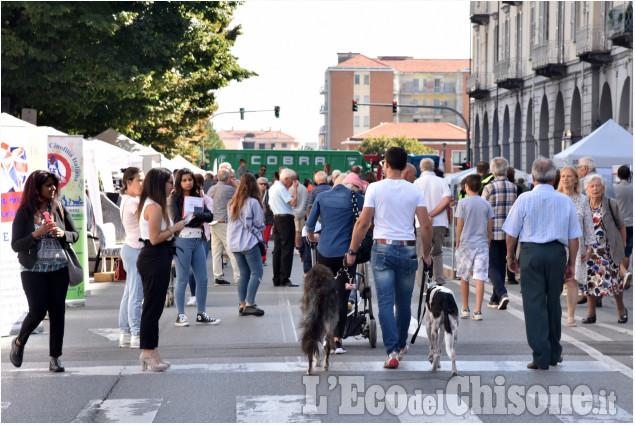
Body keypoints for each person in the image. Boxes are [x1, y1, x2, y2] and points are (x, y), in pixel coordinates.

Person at [345, 147, 433, 369]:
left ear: (384, 165)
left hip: (382, 248)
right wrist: (428, 253)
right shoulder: (414, 191)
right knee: (403, 303)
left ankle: (392, 351)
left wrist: (352, 251)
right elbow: (425, 224)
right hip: (407, 249)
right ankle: (401, 346)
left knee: (384, 302)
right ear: (405, 167)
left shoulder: (374, 188)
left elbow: (363, 223)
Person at [503, 158, 581, 370]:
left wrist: (510, 256)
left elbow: (511, 232)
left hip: (532, 253)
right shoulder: (564, 201)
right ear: (554, 177)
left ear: (533, 176)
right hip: (556, 252)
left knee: (534, 303)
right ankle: (554, 352)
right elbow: (574, 237)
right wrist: (571, 264)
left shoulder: (524, 199)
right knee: (553, 302)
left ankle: (541, 355)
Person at [10, 170, 80, 372]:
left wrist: (62, 233)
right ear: (36, 188)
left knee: (58, 312)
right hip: (33, 269)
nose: (53, 189)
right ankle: (19, 342)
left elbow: (74, 234)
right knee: (38, 311)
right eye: (48, 185)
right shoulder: (24, 212)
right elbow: (16, 245)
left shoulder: (58, 207)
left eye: (53, 185)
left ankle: (55, 358)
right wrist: (37, 233)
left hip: (58, 268)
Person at [306, 172, 365, 354]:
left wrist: (313, 238)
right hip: (346, 254)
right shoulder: (357, 198)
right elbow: (364, 224)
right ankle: (337, 341)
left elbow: (309, 226)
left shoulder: (322, 197)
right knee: (341, 296)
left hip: (324, 252)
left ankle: (325, 335)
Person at [136, 168, 187, 371]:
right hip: (154, 256)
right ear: (159, 184)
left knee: (155, 307)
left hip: (158, 256)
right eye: (169, 182)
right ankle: (148, 352)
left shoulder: (155, 204)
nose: (172, 186)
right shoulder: (154, 206)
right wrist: (174, 228)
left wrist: (174, 230)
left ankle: (153, 351)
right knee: (152, 307)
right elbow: (155, 238)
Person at [168, 169, 217, 326]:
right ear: (179, 182)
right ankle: (180, 315)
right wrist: (197, 217)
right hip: (183, 241)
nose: (188, 182)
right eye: (184, 180)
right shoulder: (174, 198)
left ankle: (201, 313)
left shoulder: (198, 196)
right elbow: (178, 220)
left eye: (190, 179)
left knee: (203, 279)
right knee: (182, 279)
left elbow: (210, 216)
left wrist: (195, 216)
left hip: (198, 240)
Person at [581, 174, 629, 324]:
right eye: (592, 186)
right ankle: (591, 313)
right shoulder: (583, 205)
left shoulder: (610, 203)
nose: (595, 189)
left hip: (608, 250)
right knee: (590, 283)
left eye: (598, 186)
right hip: (590, 251)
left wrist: (622, 243)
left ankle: (621, 309)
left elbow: (621, 225)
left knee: (614, 282)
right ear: (587, 190)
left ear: (603, 188)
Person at [556, 166, 595, 327]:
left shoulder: (583, 199)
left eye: (569, 176)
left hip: (576, 245)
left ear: (575, 179)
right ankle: (552, 314)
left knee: (572, 280)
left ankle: (570, 316)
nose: (565, 179)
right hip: (556, 244)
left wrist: (589, 248)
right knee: (554, 282)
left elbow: (588, 225)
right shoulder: (555, 197)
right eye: (563, 176)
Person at [227, 174, 267, 317]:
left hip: (234, 243)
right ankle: (250, 303)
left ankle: (242, 303)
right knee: (257, 272)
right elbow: (258, 224)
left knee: (244, 273)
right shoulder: (253, 202)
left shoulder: (232, 202)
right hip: (249, 242)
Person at [455, 174, 494, 321]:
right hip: (482, 243)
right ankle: (478, 310)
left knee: (464, 276)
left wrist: (458, 243)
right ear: (480, 187)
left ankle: (465, 307)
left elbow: (459, 226)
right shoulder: (486, 204)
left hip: (466, 244)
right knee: (480, 277)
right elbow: (489, 228)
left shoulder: (463, 203)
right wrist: (488, 242)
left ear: (466, 187)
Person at [482, 157, 517, 310]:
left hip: (492, 231)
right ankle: (495, 298)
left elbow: (483, 210)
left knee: (491, 265)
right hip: (509, 232)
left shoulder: (489, 188)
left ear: (493, 170)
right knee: (502, 263)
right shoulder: (513, 187)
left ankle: (502, 293)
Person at [118, 167, 145, 349]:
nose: (142, 184)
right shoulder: (133, 202)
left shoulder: (128, 200)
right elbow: (146, 223)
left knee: (130, 293)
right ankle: (134, 333)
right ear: (129, 182)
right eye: (140, 181)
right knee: (135, 294)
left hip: (131, 247)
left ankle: (126, 332)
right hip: (135, 249)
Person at [414, 158, 451, 287]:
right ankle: (439, 282)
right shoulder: (442, 181)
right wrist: (432, 214)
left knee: (421, 254)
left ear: (420, 169)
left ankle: (423, 285)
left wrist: (425, 216)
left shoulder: (416, 183)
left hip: (421, 224)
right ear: (434, 168)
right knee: (437, 253)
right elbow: (446, 201)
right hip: (439, 223)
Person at [207, 168, 241, 286]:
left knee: (216, 251)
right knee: (231, 250)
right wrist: (234, 184)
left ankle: (218, 276)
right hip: (224, 222)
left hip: (213, 222)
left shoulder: (212, 188)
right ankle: (238, 277)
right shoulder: (230, 189)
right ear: (227, 178)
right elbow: (242, 193)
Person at [185, 174, 214, 306]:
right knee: (191, 269)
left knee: (200, 268)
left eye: (198, 185)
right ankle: (193, 295)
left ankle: (200, 297)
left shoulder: (207, 200)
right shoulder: (184, 199)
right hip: (188, 236)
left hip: (203, 237)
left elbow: (209, 216)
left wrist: (198, 212)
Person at [268, 168, 299, 287]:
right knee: (287, 249)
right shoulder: (281, 187)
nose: (291, 183)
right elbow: (293, 203)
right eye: (291, 181)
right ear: (285, 178)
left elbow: (271, 206)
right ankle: (285, 278)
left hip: (277, 218)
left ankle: (276, 277)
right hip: (286, 219)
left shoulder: (272, 188)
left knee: (278, 249)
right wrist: (295, 190)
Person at [614, 165, 633, 289]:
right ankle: (625, 276)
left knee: (617, 249)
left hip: (619, 223)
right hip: (631, 223)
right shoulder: (633, 188)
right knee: (627, 251)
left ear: (617, 175)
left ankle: (622, 275)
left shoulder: (615, 188)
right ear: (630, 175)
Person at [289, 173, 308, 253]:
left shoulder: (292, 188)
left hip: (294, 212)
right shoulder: (304, 188)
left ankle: (296, 247)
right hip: (303, 212)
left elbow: (292, 202)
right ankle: (299, 245)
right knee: (300, 231)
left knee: (296, 231)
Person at [257, 177, 274, 265]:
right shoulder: (254, 193)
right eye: (261, 184)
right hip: (256, 220)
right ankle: (256, 257)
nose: (263, 185)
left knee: (265, 239)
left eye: (265, 184)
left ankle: (263, 258)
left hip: (267, 220)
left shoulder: (269, 193)